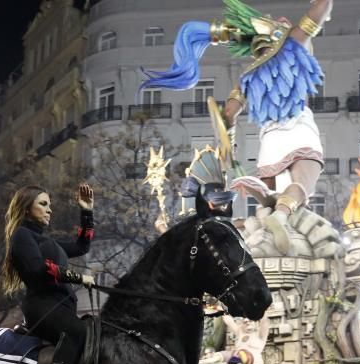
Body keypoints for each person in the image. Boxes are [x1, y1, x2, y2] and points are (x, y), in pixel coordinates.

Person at [142, 0, 333, 253]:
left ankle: (265, 210)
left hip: (269, 143)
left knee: (272, 201)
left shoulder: (248, 77)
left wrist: (227, 142)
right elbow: (320, 11)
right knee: (302, 186)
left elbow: (228, 114)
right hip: (299, 129)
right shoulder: (292, 44)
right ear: (277, 33)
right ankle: (282, 215)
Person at [0, 183, 96, 364]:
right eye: (43, 204)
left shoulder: (48, 241)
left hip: (61, 306)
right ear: (27, 207)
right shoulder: (22, 235)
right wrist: (78, 277)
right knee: (77, 332)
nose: (49, 209)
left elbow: (83, 246)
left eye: (49, 204)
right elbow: (36, 268)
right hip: (42, 306)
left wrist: (87, 211)